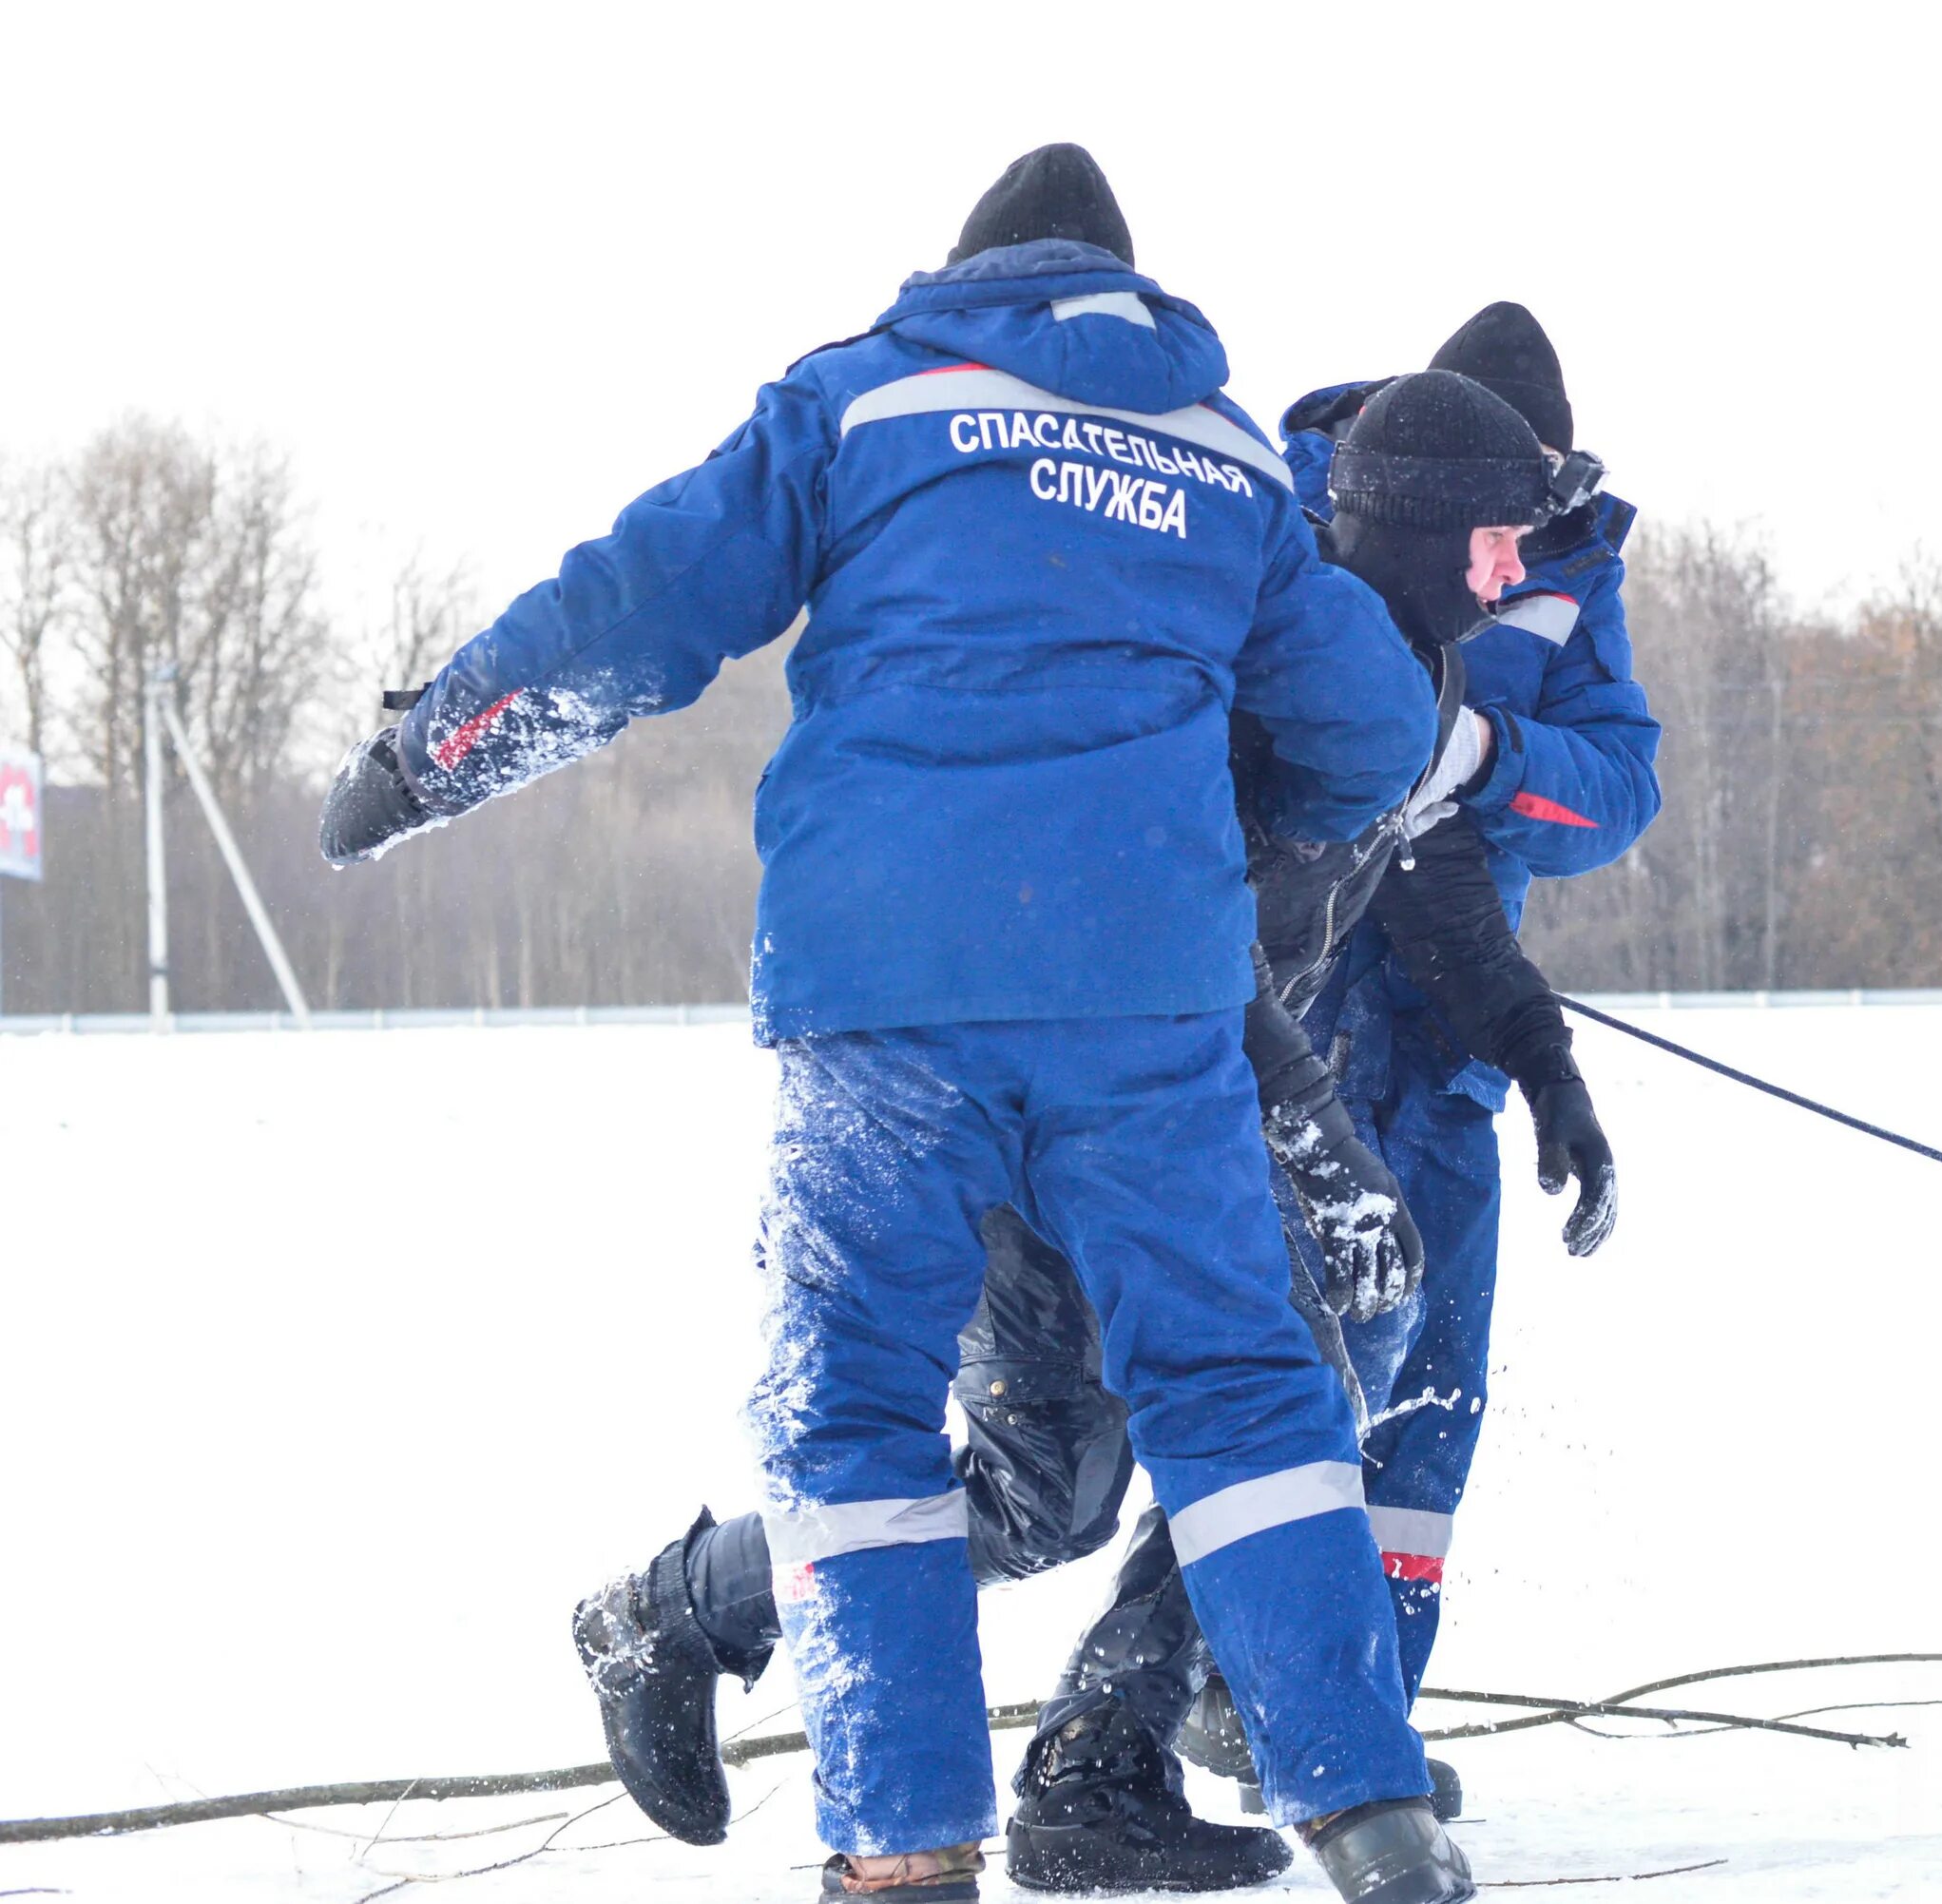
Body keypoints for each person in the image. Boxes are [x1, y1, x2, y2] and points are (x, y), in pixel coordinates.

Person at [317, 145, 1472, 1904]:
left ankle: (904, 1851)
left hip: (882, 1007)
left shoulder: (864, 402)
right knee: (1241, 1391)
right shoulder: (1227, 453)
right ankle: (1370, 1813)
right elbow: (1379, 739)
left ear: (968, 272)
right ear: (1125, 290)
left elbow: (641, 606)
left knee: (857, 1411)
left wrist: (428, 752)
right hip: (1143, 1009)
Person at [577, 371, 1618, 1898]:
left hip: (1182, 1097)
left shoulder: (1421, 681)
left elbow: (1432, 876)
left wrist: (1544, 1059)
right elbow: (1175, 931)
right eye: (1503, 536)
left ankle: (1100, 1755)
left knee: (1274, 1385)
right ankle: (680, 1611)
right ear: (1426, 526)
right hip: (1076, 1074)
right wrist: (1315, 1130)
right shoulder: (1267, 661)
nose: (1524, 572)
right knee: (1080, 1475)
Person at [1261, 306, 1661, 1813]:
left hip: (1456, 1017)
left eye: (1538, 506)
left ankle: (1356, 1717)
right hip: (1281, 1009)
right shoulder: (1303, 523)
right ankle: (1233, 1686)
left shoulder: (1574, 567)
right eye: (1500, 515)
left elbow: (1619, 790)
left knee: (1430, 1385)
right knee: (1293, 1367)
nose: (1516, 554)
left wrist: (1488, 766)